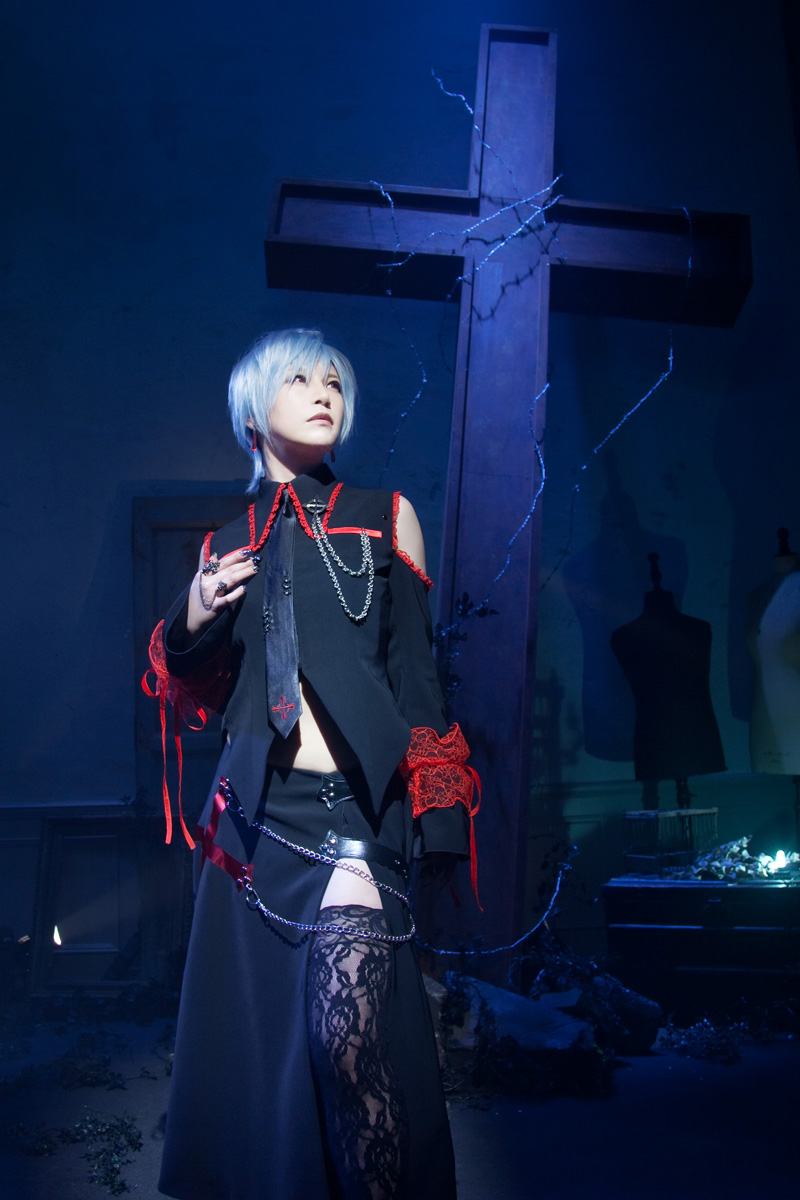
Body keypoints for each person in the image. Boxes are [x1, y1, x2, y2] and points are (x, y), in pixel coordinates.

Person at [150, 329, 477, 1200]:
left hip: (358, 815)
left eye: (334, 380)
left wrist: (440, 824)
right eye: (298, 379)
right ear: (252, 413)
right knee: (271, 1070)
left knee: (349, 1043)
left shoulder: (384, 513)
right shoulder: (226, 543)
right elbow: (199, 686)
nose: (323, 391)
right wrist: (193, 613)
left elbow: (418, 681)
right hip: (257, 827)